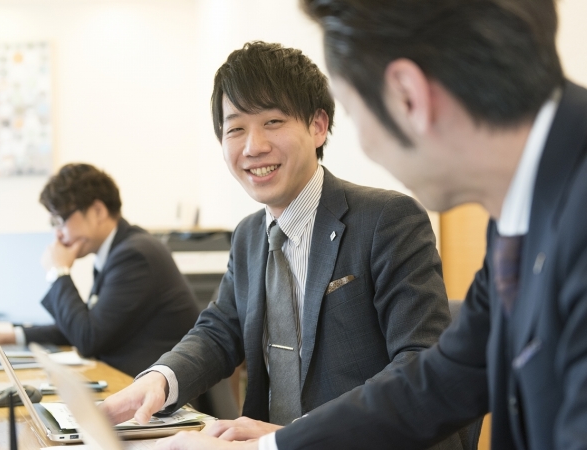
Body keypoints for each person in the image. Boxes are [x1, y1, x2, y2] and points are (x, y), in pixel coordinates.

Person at [151, 0, 587, 449]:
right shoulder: (521, 215)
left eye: (357, 116)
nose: (367, 145)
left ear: (408, 94)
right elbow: (439, 380)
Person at [102, 41, 463, 449]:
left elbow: (418, 362)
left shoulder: (387, 219)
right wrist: (156, 381)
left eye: (272, 122)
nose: (253, 146)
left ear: (318, 126)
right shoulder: (248, 235)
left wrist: (296, 435)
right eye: (235, 128)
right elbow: (219, 332)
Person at [0, 163, 200, 377]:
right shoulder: (117, 251)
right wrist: (11, 335)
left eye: (60, 221)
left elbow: (88, 338)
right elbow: (84, 324)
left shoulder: (135, 255)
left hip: (162, 398)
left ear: (98, 211)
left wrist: (59, 272)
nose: (58, 235)